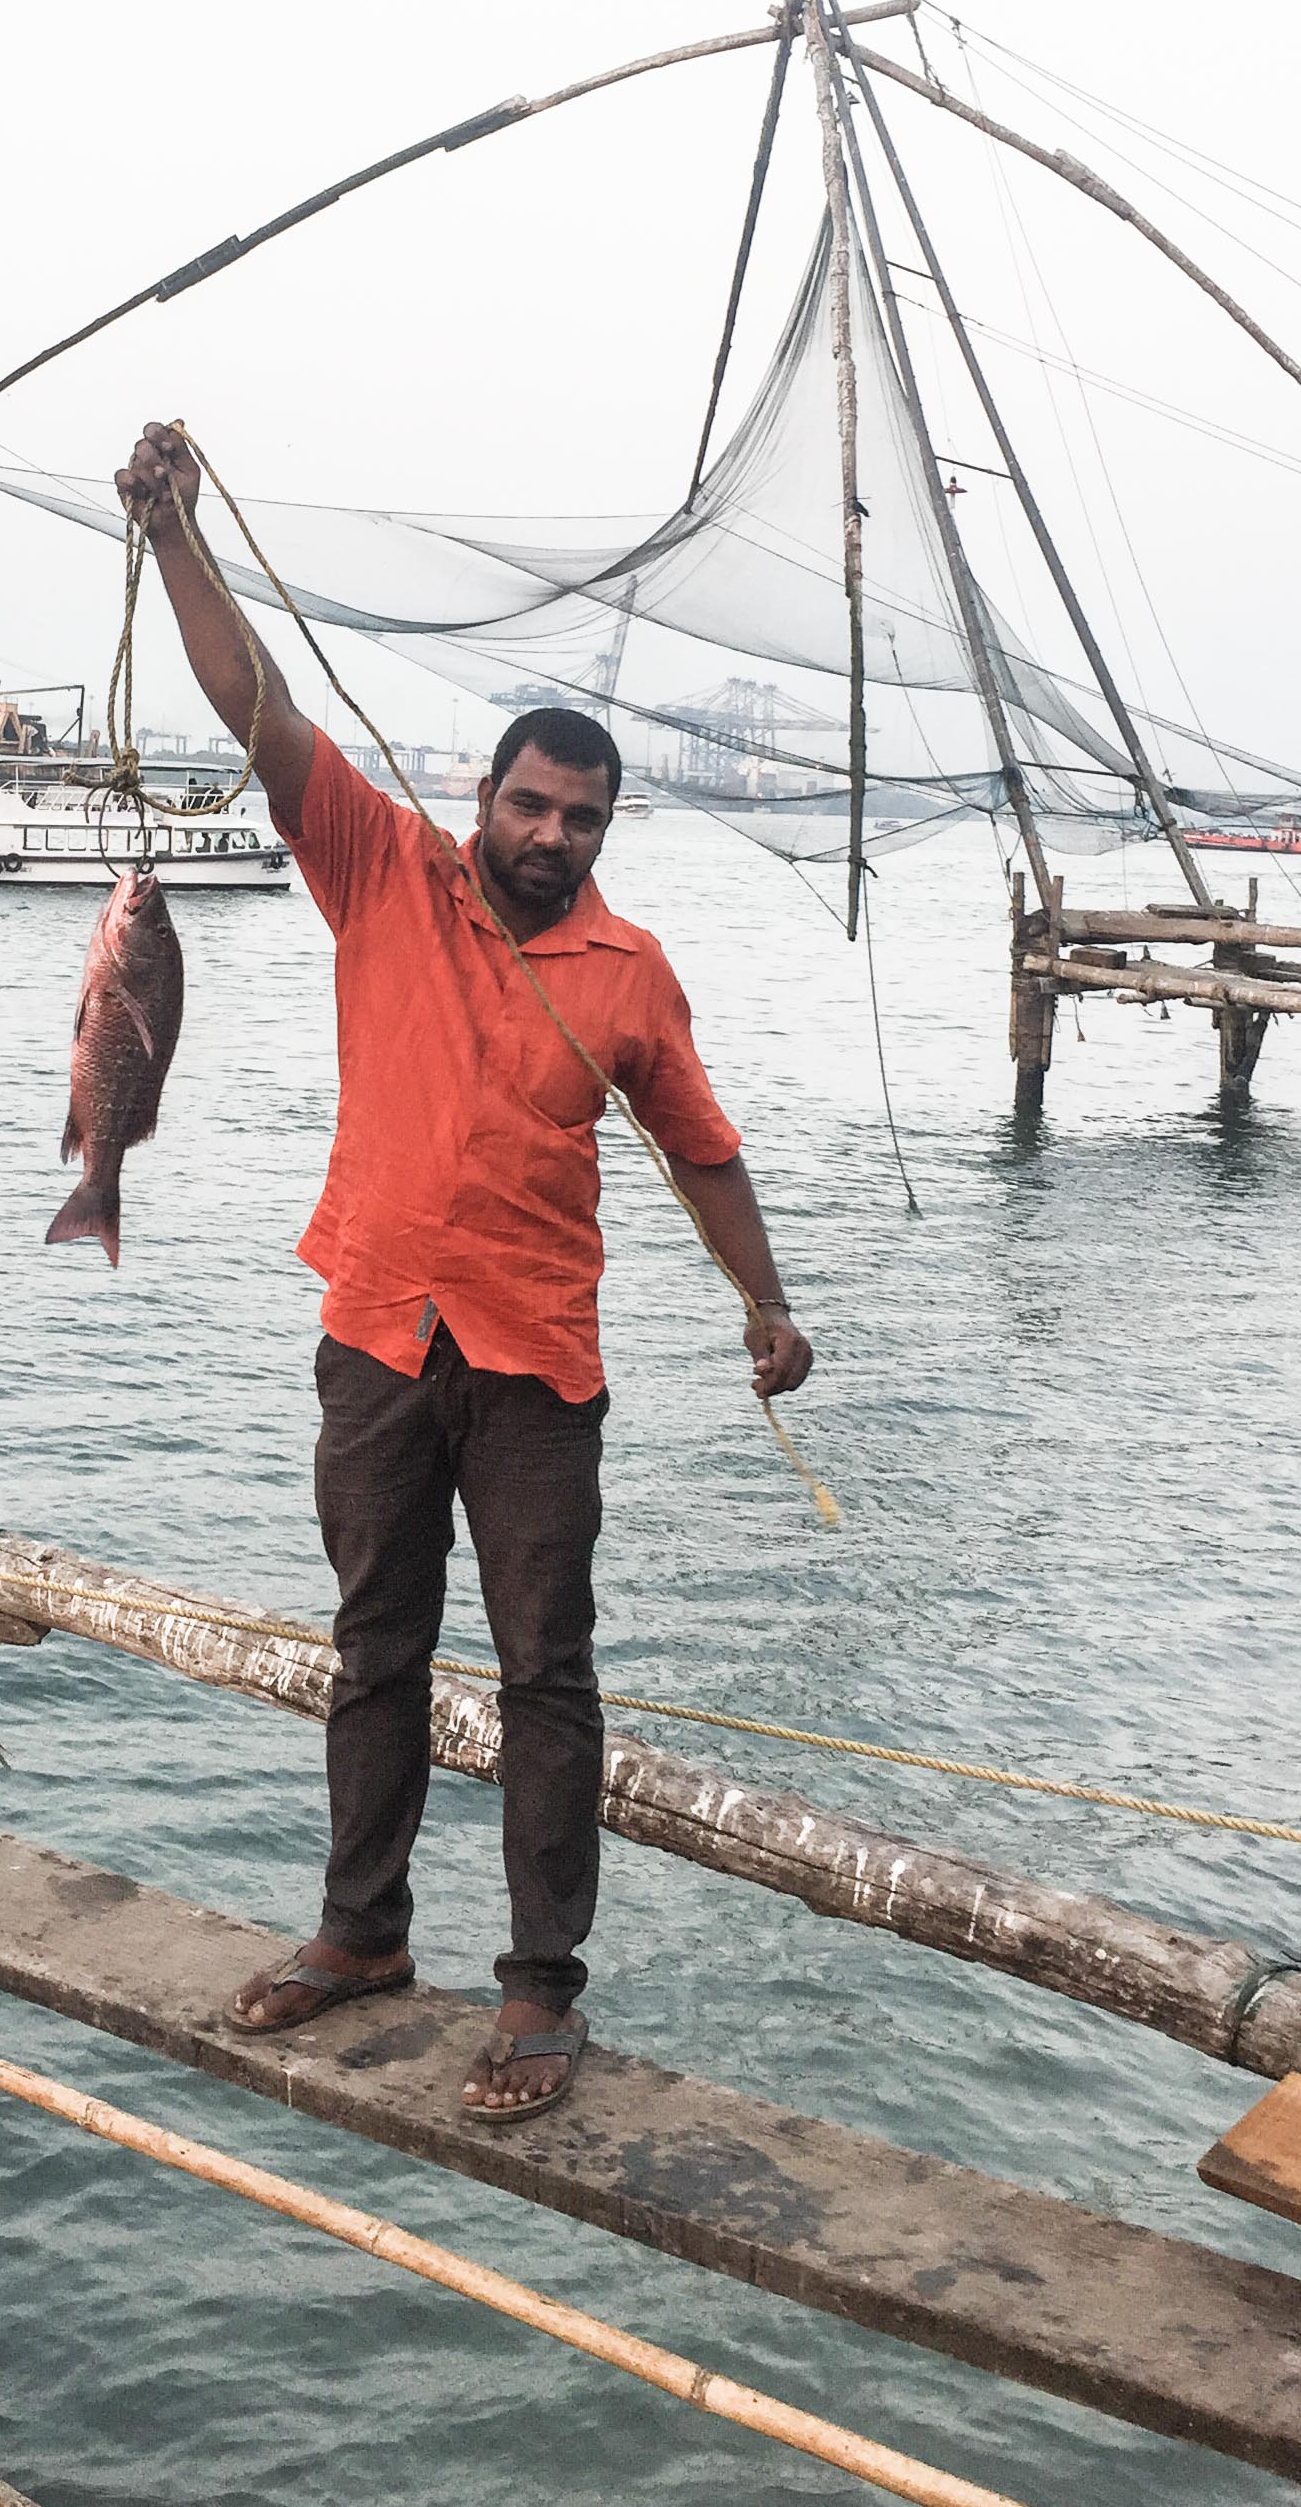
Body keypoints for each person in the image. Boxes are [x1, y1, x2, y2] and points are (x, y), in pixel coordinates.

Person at [118, 420, 813, 2123]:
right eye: (529, 804)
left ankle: (540, 1990)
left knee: (544, 1675)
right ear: (483, 801)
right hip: (376, 1330)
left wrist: (768, 1304)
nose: (551, 835)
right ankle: (362, 1935)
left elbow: (702, 1149)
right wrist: (177, 537)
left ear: (604, 831)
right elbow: (256, 707)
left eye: (582, 818)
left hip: (536, 1369)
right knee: (375, 1646)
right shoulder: (380, 869)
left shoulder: (632, 971)